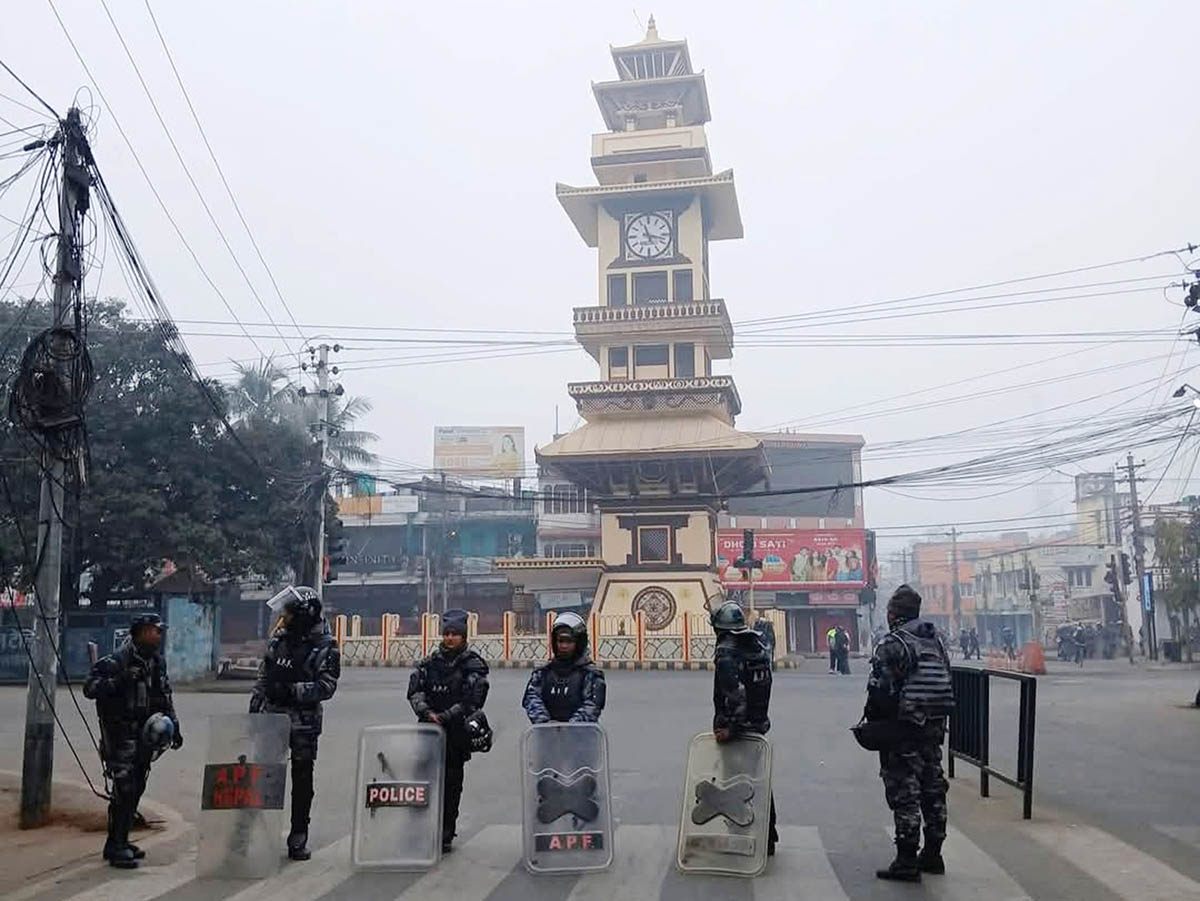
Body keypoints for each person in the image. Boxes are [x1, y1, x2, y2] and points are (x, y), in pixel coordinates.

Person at [865, 585, 953, 882]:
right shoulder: (935, 639)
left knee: (906, 794)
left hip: (902, 728)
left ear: (893, 614)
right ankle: (933, 854)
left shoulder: (893, 643)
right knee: (933, 789)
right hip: (933, 727)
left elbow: (880, 690)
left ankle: (906, 861)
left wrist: (874, 722)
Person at [84, 613, 182, 869]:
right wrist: (121, 680)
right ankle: (115, 846)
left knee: (136, 788)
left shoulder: (157, 662)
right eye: (154, 631)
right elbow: (90, 689)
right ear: (139, 632)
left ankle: (120, 840)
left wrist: (174, 725)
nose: (158, 636)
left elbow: (164, 695)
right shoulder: (115, 661)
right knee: (124, 790)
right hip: (119, 737)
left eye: (160, 632)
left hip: (144, 738)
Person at [249, 586, 340, 861]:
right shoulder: (279, 640)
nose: (284, 617)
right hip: (272, 717)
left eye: (288, 612)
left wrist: (292, 690)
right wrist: (256, 705)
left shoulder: (325, 647)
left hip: (303, 722)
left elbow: (326, 687)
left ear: (303, 614)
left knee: (302, 778)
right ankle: (260, 832)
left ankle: (298, 834)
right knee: (265, 777)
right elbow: (264, 676)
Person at [408, 609, 490, 853]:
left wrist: (446, 716)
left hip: (456, 731)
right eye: (447, 633)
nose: (450, 638)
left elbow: (472, 699)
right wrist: (426, 712)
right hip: (428, 729)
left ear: (463, 636)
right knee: (424, 779)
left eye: (455, 634)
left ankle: (446, 829)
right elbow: (415, 691)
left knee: (452, 782)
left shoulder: (472, 665)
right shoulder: (428, 663)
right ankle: (422, 826)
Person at [710, 601, 778, 856]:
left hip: (738, 730)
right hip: (759, 724)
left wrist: (732, 728)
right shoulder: (757, 646)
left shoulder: (727, 651)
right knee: (759, 781)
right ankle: (768, 835)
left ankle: (740, 834)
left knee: (737, 782)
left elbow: (735, 695)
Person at [523, 611, 606, 723]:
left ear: (579, 642)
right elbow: (532, 698)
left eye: (569, 641)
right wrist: (545, 723)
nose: (564, 646)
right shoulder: (542, 673)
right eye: (560, 641)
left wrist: (569, 727)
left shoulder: (591, 675)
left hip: (581, 736)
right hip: (546, 735)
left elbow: (592, 706)